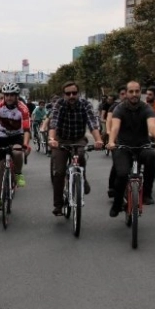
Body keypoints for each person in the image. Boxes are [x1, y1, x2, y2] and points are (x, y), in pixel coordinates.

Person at [107, 81, 155, 216]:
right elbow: (115, 127)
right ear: (126, 93)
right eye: (131, 91)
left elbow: (152, 125)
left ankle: (146, 194)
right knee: (121, 174)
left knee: (152, 155)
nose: (134, 94)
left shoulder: (146, 108)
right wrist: (111, 141)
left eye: (137, 91)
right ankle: (117, 203)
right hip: (123, 148)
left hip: (142, 147)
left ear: (140, 92)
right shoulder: (119, 109)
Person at [48, 81, 103, 216]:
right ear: (64, 95)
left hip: (78, 138)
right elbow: (53, 123)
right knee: (59, 172)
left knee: (81, 155)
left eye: (74, 93)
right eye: (68, 93)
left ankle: (82, 178)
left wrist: (98, 140)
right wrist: (51, 139)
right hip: (61, 140)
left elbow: (92, 123)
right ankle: (58, 205)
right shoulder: (59, 104)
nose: (71, 95)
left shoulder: (85, 104)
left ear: (78, 93)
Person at [0, 82, 31, 210]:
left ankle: (18, 173)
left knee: (17, 152)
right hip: (2, 135)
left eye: (12, 95)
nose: (9, 97)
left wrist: (25, 145)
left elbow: (27, 130)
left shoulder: (23, 109)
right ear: (3, 96)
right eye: (7, 95)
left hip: (17, 135)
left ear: (17, 96)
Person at [106, 86, 127, 197]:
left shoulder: (138, 107)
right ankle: (112, 187)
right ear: (119, 95)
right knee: (117, 165)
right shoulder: (114, 107)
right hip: (117, 139)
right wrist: (109, 133)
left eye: (126, 93)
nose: (125, 96)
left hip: (132, 140)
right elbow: (109, 120)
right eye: (122, 94)